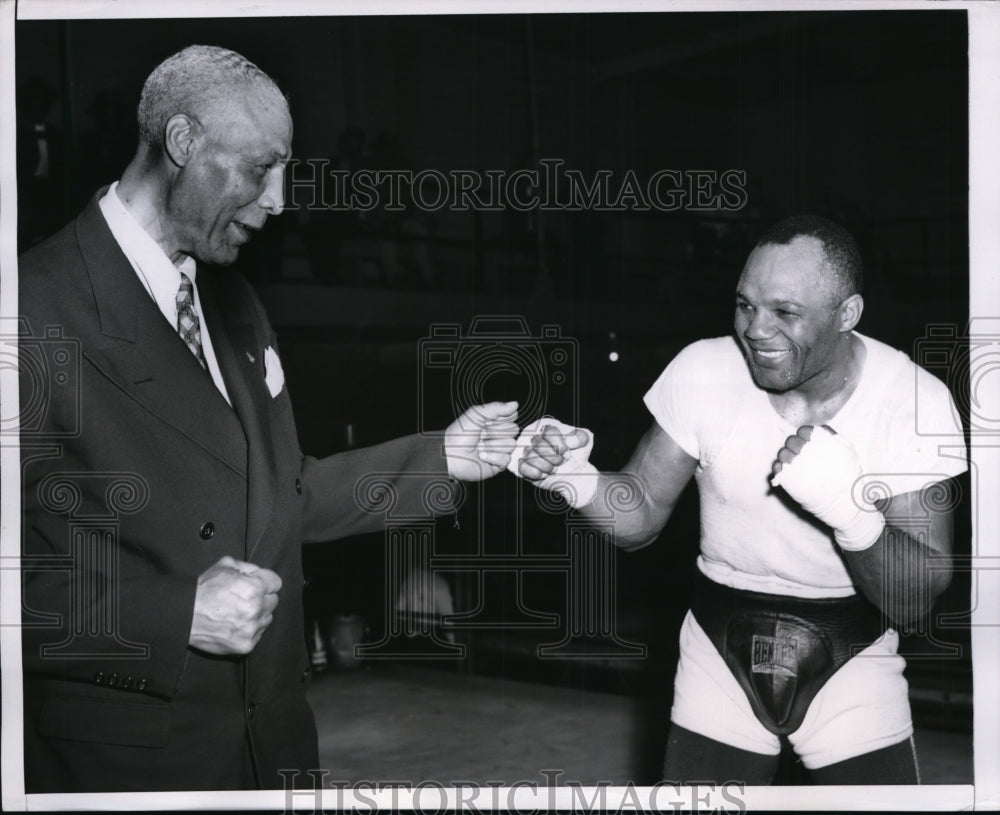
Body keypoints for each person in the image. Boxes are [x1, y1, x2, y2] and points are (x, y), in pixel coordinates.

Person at [17, 45, 519, 793]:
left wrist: (441, 457)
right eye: (261, 168)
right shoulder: (30, 310)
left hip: (271, 748)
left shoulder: (233, 300)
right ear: (183, 144)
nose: (281, 198)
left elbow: (281, 494)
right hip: (131, 765)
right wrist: (173, 613)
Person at [514, 215, 967, 784]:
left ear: (846, 314)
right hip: (717, 643)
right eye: (745, 304)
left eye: (785, 312)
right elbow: (641, 514)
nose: (755, 328)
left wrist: (852, 516)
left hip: (853, 655)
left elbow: (912, 602)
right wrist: (572, 478)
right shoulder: (704, 370)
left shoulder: (914, 401)